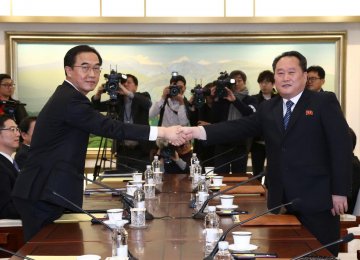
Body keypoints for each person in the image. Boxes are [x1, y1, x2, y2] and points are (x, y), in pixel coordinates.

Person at [181, 51, 352, 256]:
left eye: (291, 72)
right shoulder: (269, 107)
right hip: (280, 201)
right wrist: (197, 131)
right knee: (282, 252)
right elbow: (238, 127)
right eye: (280, 73)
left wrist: (339, 191)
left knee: (319, 254)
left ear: (304, 76)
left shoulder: (323, 102)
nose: (285, 77)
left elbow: (340, 147)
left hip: (318, 200)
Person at [11, 45, 184, 242]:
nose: (92, 74)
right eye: (85, 67)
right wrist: (162, 132)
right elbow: (111, 127)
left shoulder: (70, 96)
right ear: (68, 70)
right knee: (45, 251)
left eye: (96, 68)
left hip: (51, 189)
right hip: (43, 192)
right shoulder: (70, 100)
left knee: (64, 249)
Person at [92, 73, 152, 172]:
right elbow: (96, 107)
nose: (125, 85)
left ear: (136, 87)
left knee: (142, 179)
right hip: (123, 151)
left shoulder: (143, 96)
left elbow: (148, 104)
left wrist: (126, 92)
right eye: (123, 83)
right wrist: (98, 93)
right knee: (121, 180)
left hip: (141, 150)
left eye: (129, 82)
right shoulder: (117, 101)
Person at [210, 70, 257, 174]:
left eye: (239, 80)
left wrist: (234, 100)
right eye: (234, 81)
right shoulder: (223, 99)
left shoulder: (251, 99)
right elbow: (214, 119)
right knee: (220, 176)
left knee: (239, 177)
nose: (236, 83)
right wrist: (216, 98)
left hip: (240, 144)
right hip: (222, 143)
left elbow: (249, 113)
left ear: (245, 82)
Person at [149, 73, 192, 173]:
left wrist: (181, 102)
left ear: (185, 88)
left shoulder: (187, 103)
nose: (177, 90)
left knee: (182, 172)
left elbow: (184, 123)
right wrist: (163, 97)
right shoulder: (164, 101)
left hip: (181, 145)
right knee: (160, 172)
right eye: (175, 87)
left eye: (180, 87)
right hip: (163, 143)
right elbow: (151, 114)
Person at [250, 70, 277, 177]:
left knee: (274, 171)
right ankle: (258, 192)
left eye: (267, 82)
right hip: (257, 142)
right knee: (257, 171)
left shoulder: (279, 99)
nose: (264, 85)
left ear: (273, 83)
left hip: (274, 142)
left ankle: (270, 191)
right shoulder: (254, 99)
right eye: (261, 82)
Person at [0, 115, 21, 219]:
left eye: (17, 129)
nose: (17, 134)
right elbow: (5, 208)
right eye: (12, 129)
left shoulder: (9, 163)